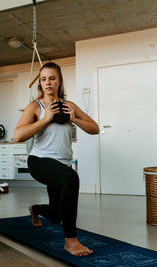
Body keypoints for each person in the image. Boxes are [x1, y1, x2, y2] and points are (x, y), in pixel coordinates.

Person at [14, 62, 99, 256]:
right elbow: (18, 135)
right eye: (43, 79)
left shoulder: (70, 106)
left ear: (59, 81)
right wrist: (45, 119)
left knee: (57, 214)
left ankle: (34, 209)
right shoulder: (36, 106)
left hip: (61, 164)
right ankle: (71, 241)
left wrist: (74, 118)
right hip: (39, 161)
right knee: (71, 178)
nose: (48, 83)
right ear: (40, 83)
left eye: (52, 78)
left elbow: (94, 129)